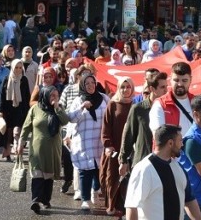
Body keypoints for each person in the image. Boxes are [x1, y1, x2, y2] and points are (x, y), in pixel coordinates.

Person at [124, 124, 201, 220]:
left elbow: (189, 200)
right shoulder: (144, 169)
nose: (182, 145)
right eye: (180, 141)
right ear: (170, 143)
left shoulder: (179, 168)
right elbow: (132, 206)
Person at [22, 84, 70, 215]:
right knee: (37, 174)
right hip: (37, 149)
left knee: (48, 175)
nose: (54, 98)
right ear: (45, 95)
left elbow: (65, 121)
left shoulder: (59, 108)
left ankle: (45, 199)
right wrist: (21, 142)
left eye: (56, 96)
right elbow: (26, 127)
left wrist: (57, 108)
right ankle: (36, 200)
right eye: (52, 95)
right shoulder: (35, 109)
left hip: (53, 149)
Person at [66, 72, 109, 211]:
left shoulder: (104, 98)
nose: (90, 86)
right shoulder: (78, 101)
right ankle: (85, 199)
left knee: (99, 169)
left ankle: (95, 191)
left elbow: (110, 115)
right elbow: (71, 118)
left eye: (92, 83)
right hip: (84, 142)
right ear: (83, 86)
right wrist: (82, 107)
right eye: (87, 83)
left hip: (99, 141)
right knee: (85, 171)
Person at [121, 72, 169, 183]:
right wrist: (123, 160)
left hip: (163, 163)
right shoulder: (138, 109)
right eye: (162, 87)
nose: (166, 90)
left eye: (166, 87)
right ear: (152, 89)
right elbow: (129, 136)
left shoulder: (168, 109)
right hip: (142, 162)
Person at [101, 77, 136, 218]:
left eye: (128, 87)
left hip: (131, 150)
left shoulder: (135, 105)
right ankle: (111, 206)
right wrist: (108, 145)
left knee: (129, 180)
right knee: (112, 177)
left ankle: (126, 209)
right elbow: (106, 127)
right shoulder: (112, 104)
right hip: (114, 149)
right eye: (122, 87)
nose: (125, 90)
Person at [0, 58, 32, 162]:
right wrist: (0, 112)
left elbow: (27, 96)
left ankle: (17, 152)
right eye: (16, 67)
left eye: (20, 68)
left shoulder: (24, 80)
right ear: (12, 68)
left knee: (17, 132)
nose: (18, 70)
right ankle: (7, 152)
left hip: (20, 110)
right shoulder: (6, 79)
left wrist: (29, 110)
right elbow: (1, 96)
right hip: (8, 110)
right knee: (8, 133)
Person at [150, 61, 194, 135]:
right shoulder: (160, 104)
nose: (180, 84)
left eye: (184, 80)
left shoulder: (198, 103)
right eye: (176, 80)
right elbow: (159, 136)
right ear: (170, 79)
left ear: (190, 79)